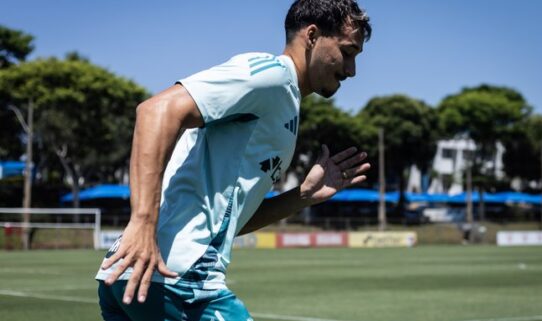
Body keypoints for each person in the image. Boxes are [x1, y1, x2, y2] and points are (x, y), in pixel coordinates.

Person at [96, 0, 372, 320]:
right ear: (312, 35)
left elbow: (230, 223)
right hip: (178, 278)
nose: (352, 71)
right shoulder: (271, 77)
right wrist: (142, 221)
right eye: (348, 53)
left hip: (132, 275)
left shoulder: (285, 103)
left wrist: (302, 197)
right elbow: (155, 110)